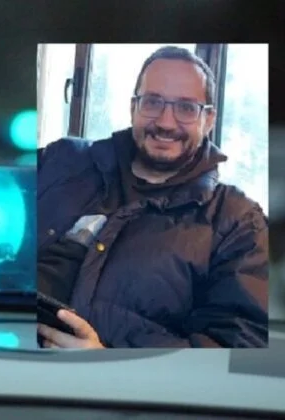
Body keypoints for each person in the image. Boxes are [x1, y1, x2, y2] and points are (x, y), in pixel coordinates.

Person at [36, 46, 268, 348]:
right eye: (153, 102)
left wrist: (108, 364)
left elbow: (238, 347)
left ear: (209, 119)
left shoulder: (239, 223)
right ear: (134, 108)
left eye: (186, 108)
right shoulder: (61, 159)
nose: (166, 123)